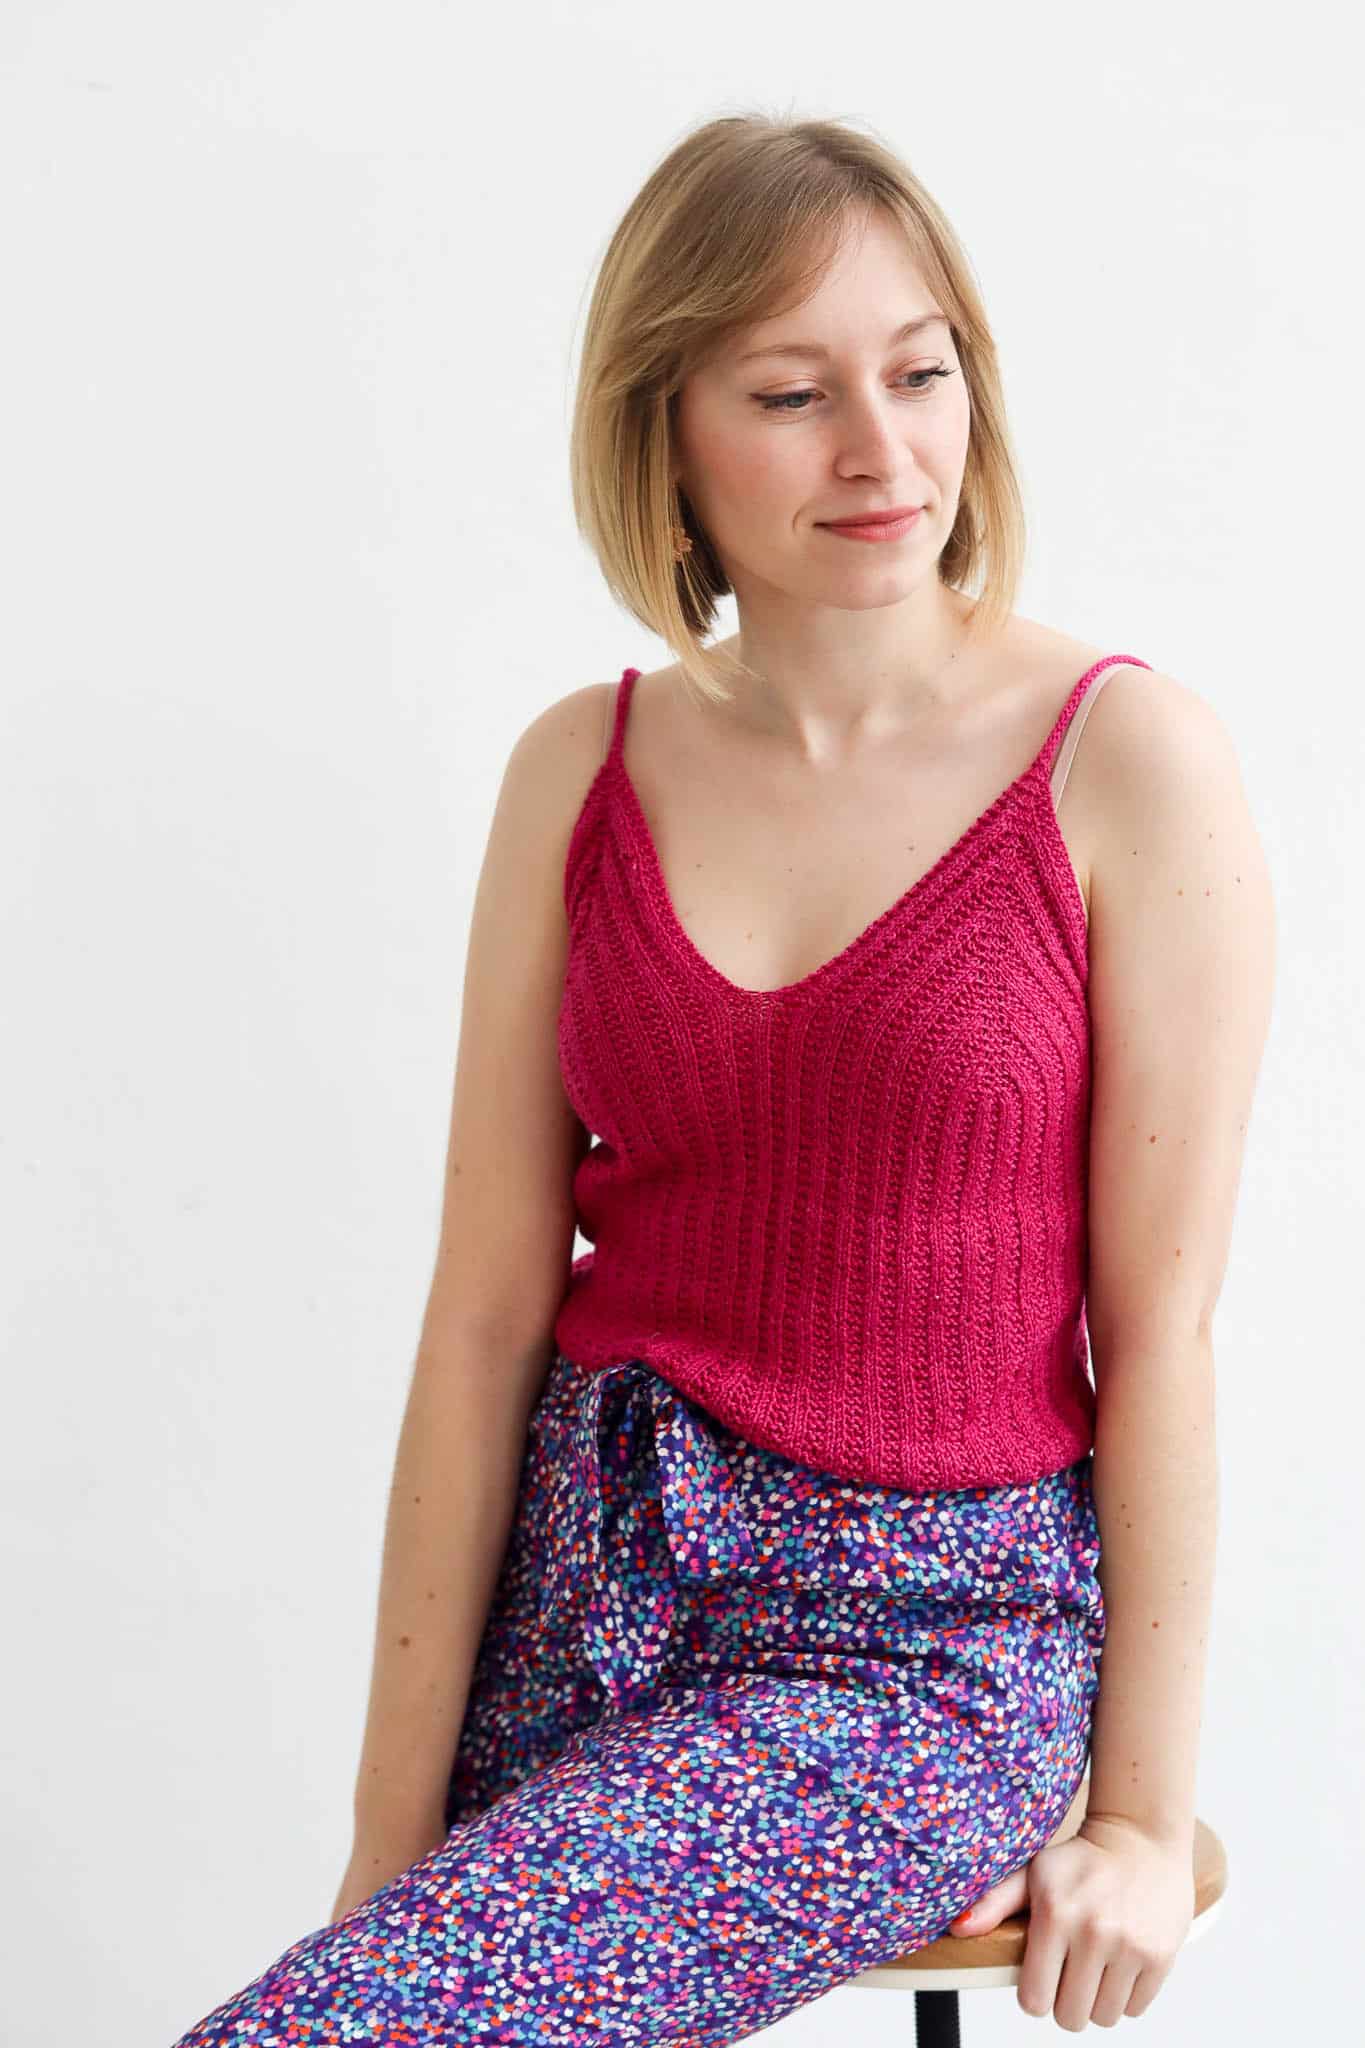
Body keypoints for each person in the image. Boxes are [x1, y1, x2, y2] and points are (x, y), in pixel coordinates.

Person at [171, 110, 1276, 2044]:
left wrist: (1135, 1812)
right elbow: (484, 1318)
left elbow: (1161, 1329)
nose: (882, 452)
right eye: (789, 393)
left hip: (917, 1647)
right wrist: (386, 1848)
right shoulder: (575, 773)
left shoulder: (1124, 765)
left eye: (920, 373)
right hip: (585, 1586)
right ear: (663, 434)